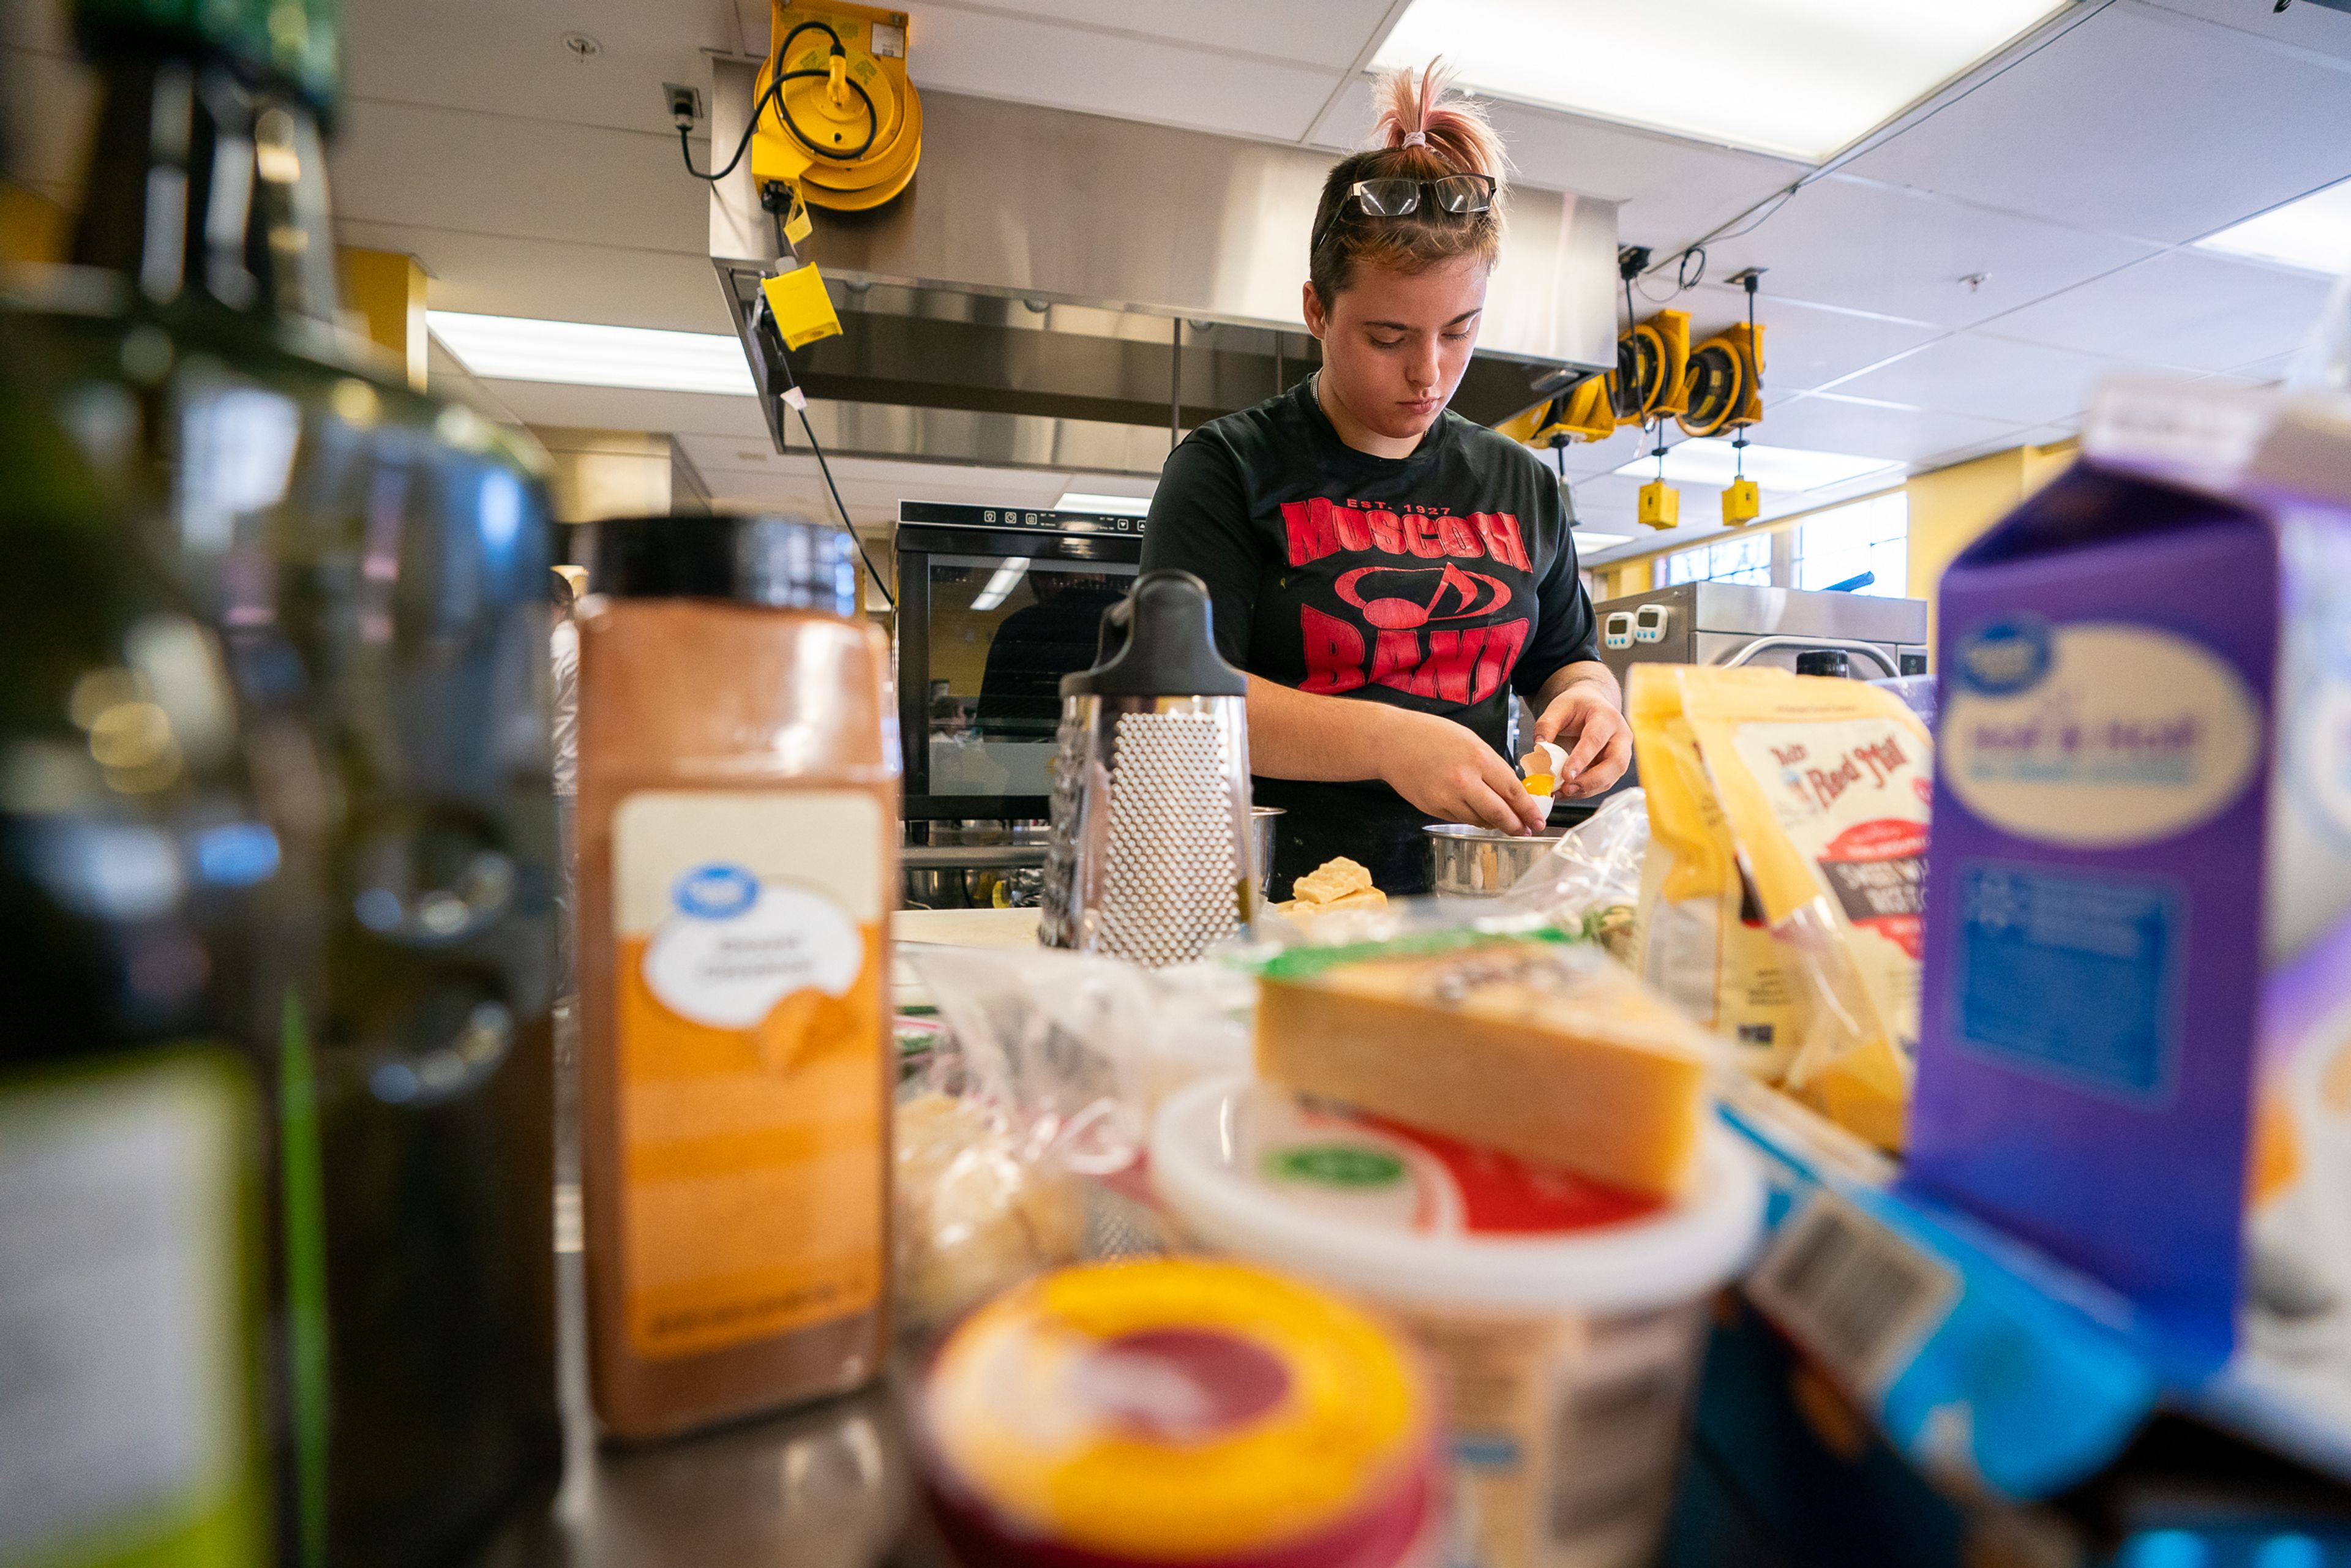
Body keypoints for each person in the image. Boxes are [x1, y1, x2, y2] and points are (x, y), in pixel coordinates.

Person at [1139, 61, 1632, 897]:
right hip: (1281, 911)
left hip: (1472, 909)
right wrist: (1387, 739)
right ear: (1316, 311)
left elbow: (1567, 659)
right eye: (1388, 336)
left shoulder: (1523, 487)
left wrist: (1594, 703)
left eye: (1459, 330)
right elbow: (1178, 705)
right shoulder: (1226, 470)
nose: (1429, 374)